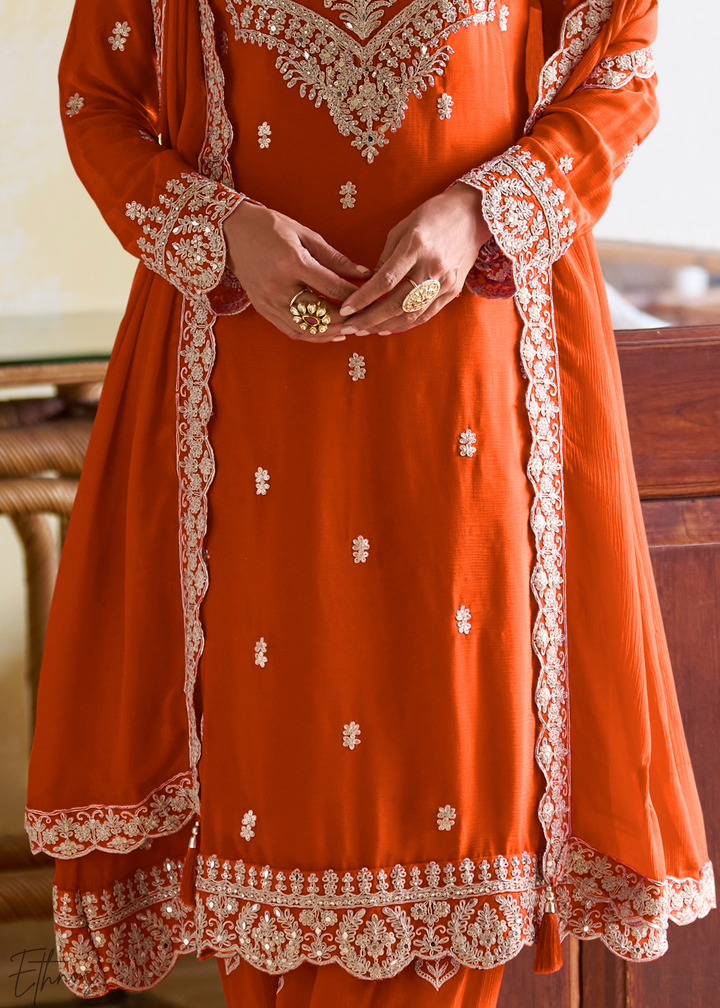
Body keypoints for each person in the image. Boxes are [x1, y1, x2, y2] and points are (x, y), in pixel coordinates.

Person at [25, 0, 714, 1005]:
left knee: (466, 804)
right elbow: (100, 103)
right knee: (271, 795)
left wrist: (483, 206)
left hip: (465, 422)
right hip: (253, 420)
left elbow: (618, 73)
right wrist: (225, 231)